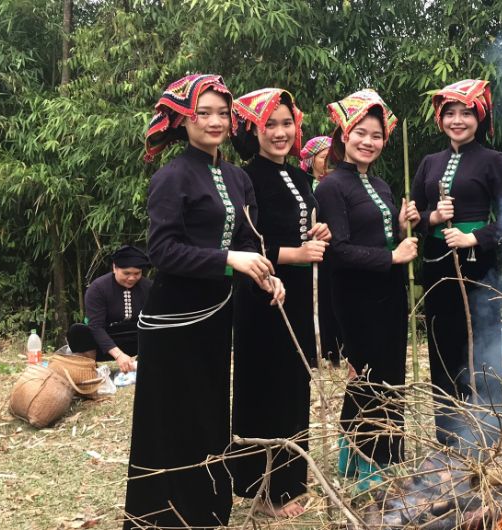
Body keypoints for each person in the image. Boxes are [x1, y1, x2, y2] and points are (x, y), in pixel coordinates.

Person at [122, 74, 285, 529]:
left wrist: (267, 278)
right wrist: (229, 258)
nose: (215, 121)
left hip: (216, 318)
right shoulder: (171, 176)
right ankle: (163, 518)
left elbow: (253, 242)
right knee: (172, 423)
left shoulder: (237, 177)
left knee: (211, 416)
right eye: (203, 113)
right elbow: (163, 251)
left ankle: (209, 513)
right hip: (173, 322)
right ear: (183, 120)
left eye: (222, 112)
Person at [229, 88, 331, 517]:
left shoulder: (302, 177)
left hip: (298, 295)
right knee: (266, 388)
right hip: (263, 297)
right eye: (270, 123)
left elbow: (298, 229)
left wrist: (317, 235)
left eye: (286, 123)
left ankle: (291, 482)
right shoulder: (244, 178)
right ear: (253, 129)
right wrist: (294, 254)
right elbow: (243, 243)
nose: (280, 132)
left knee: (295, 386)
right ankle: (264, 490)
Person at [314, 89, 419, 492]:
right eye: (360, 132)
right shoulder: (330, 187)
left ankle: (368, 458)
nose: (368, 141)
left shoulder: (382, 185)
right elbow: (337, 251)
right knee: (369, 378)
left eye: (376, 135)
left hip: (388, 294)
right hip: (355, 296)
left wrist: (404, 221)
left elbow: (385, 235)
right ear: (344, 134)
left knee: (388, 376)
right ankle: (369, 469)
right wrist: (392, 257)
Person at [411, 79, 502, 450]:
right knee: (443, 348)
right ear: (440, 120)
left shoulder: (493, 161)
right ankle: (448, 438)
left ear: (480, 117)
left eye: (466, 113)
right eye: (450, 114)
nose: (457, 120)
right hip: (437, 265)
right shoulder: (429, 163)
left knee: (481, 346)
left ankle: (488, 436)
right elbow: (412, 218)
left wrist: (474, 237)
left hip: (478, 265)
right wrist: (433, 218)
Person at [65, 245, 151, 373]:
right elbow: (96, 326)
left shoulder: (149, 287)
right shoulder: (98, 288)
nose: (132, 278)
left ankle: (149, 365)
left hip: (138, 337)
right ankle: (89, 369)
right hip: (106, 338)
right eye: (126, 273)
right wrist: (118, 355)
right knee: (78, 331)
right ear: (114, 268)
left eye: (137, 273)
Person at [300, 135, 343, 365]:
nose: (327, 161)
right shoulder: (303, 185)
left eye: (331, 157)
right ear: (312, 160)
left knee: (332, 299)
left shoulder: (340, 182)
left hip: (334, 250)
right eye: (323, 157)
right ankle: (316, 351)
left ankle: (335, 351)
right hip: (309, 251)